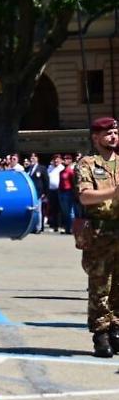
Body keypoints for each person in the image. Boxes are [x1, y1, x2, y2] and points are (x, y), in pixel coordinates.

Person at [74, 117, 119, 358]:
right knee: (100, 285)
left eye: (115, 132)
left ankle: (116, 329)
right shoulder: (87, 164)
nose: (113, 136)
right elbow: (84, 197)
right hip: (100, 233)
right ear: (95, 137)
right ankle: (101, 334)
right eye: (108, 133)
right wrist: (113, 192)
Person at [26, 153, 48, 233]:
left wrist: (45, 193)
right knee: (32, 210)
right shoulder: (28, 168)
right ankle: (32, 227)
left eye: (34, 157)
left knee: (38, 211)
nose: (32, 159)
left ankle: (38, 227)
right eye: (31, 157)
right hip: (31, 193)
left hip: (39, 192)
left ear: (37, 159)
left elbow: (46, 181)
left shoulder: (42, 168)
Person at [59, 155, 76, 233]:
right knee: (65, 212)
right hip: (61, 192)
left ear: (70, 161)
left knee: (70, 212)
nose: (65, 160)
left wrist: (74, 193)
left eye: (67, 159)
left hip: (68, 192)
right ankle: (67, 228)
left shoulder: (70, 171)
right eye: (64, 159)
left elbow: (73, 183)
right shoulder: (62, 171)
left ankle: (72, 228)